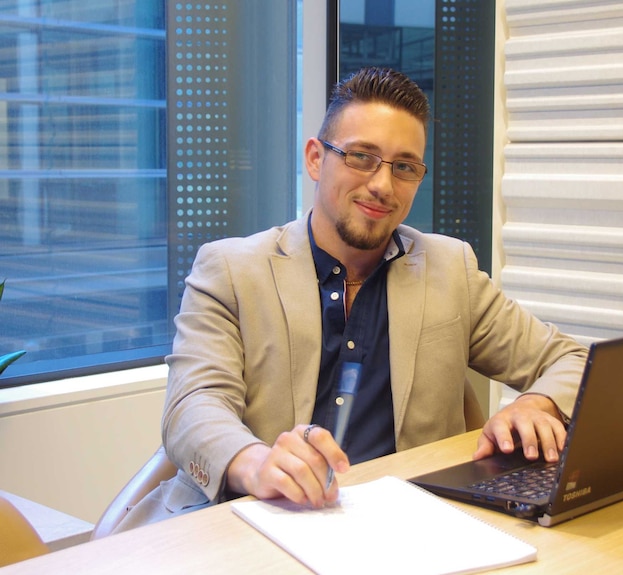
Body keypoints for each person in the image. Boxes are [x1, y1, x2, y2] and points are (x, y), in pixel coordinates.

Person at [115, 67, 588, 532]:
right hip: (258, 521)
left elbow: (569, 358)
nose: (382, 185)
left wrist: (539, 403)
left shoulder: (451, 269)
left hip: (407, 529)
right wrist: (253, 462)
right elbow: (193, 406)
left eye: (403, 166)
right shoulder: (232, 270)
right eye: (362, 156)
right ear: (317, 159)